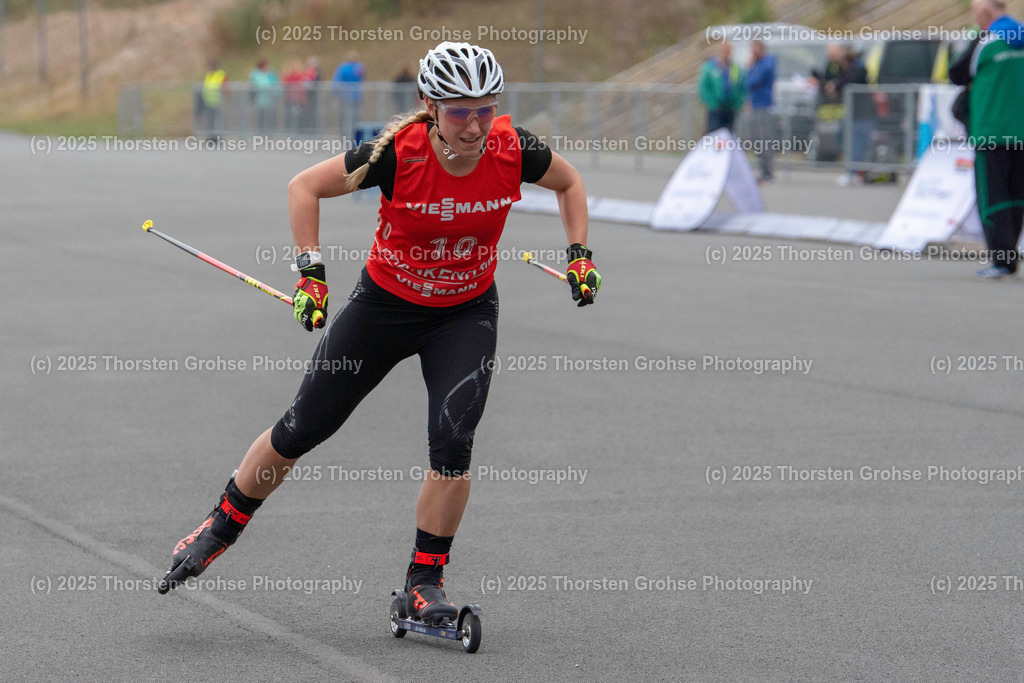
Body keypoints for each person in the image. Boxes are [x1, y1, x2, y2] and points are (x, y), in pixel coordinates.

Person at [156, 42, 602, 626]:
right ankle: (220, 526)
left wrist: (579, 254)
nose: (474, 125)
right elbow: (304, 186)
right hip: (384, 306)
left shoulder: (515, 149)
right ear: (430, 106)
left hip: (464, 312)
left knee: (453, 445)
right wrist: (312, 274)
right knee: (303, 427)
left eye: (485, 109)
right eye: (459, 111)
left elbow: (570, 184)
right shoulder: (395, 154)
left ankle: (423, 584)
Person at [950, 0, 1024, 278]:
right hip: (1020, 131)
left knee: (992, 196)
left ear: (985, 12)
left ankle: (1002, 260)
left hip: (991, 131)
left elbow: (957, 74)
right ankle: (1009, 254)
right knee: (1017, 194)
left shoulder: (984, 40)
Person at [744, 40, 776, 182]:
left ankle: (767, 171)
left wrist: (750, 68)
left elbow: (752, 81)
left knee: (764, 139)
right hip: (755, 105)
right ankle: (762, 169)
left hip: (763, 106)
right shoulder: (757, 63)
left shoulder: (767, 63)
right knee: (757, 139)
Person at [698, 42, 745, 133]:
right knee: (714, 134)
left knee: (728, 135)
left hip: (730, 108)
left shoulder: (735, 68)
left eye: (728, 52)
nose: (726, 54)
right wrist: (711, 102)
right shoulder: (710, 67)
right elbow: (703, 87)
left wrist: (738, 103)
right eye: (724, 51)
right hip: (715, 108)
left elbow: (741, 87)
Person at [333, 51, 366, 142]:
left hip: (353, 97)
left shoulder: (356, 67)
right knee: (348, 118)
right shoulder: (350, 67)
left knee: (353, 118)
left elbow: (337, 81)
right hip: (348, 97)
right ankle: (348, 136)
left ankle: (352, 136)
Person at [248, 59, 280, 132]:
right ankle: (261, 132)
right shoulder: (255, 74)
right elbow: (253, 84)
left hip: (269, 100)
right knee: (261, 117)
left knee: (270, 117)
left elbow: (274, 83)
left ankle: (269, 131)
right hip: (260, 100)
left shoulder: (270, 74)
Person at [201, 60, 226, 141]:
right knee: (210, 120)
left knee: (217, 120)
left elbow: (225, 87)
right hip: (209, 102)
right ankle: (210, 136)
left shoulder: (220, 74)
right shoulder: (208, 75)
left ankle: (218, 137)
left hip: (218, 101)